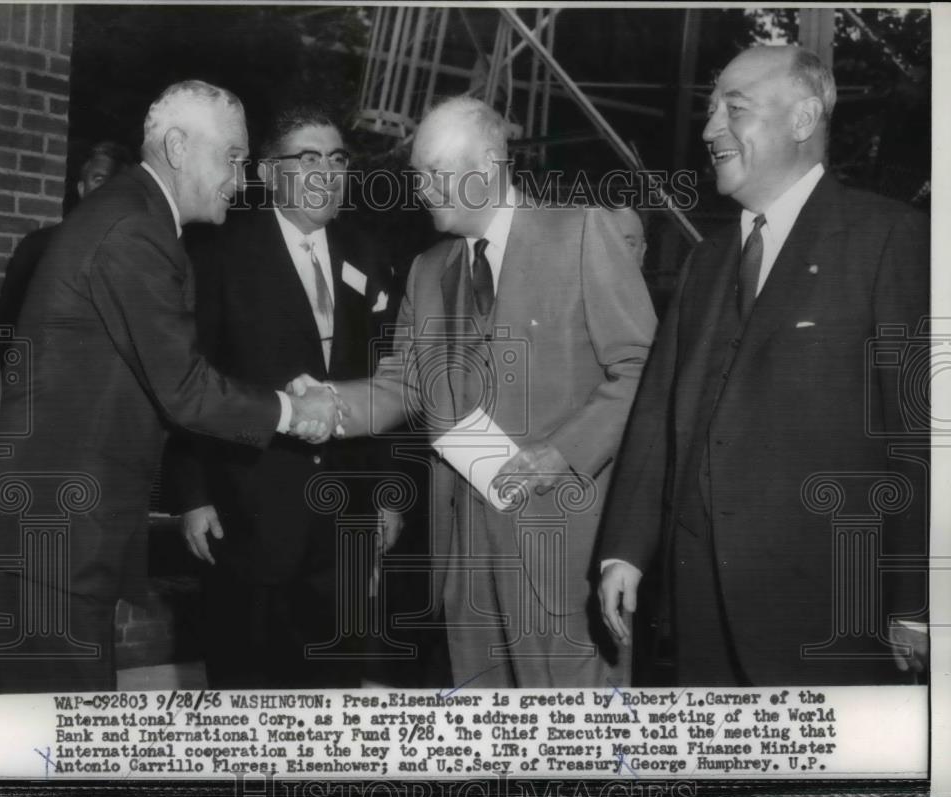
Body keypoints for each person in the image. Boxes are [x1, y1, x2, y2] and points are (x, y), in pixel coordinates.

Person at [0, 81, 342, 693]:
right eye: (231, 157)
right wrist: (291, 408)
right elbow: (184, 388)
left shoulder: (136, 218)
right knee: (56, 735)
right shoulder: (134, 230)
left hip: (58, 523)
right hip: (54, 530)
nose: (242, 177)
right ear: (177, 147)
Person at [296, 96, 657, 687]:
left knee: (573, 752)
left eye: (437, 173)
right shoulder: (427, 269)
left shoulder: (582, 234)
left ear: (488, 164)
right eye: (419, 175)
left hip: (560, 555)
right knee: (486, 753)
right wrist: (328, 404)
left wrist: (560, 453)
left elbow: (642, 366)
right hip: (464, 562)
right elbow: (402, 384)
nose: (422, 189)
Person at [597, 45, 929, 686]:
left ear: (804, 119)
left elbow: (920, 439)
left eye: (734, 108)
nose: (709, 127)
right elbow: (656, 419)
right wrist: (625, 552)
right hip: (697, 615)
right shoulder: (706, 261)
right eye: (711, 109)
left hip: (829, 614)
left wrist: (918, 603)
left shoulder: (890, 239)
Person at [168, 106, 398, 688]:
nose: (328, 171)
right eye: (309, 158)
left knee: (335, 689)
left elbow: (387, 379)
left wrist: (389, 495)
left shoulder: (367, 254)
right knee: (248, 684)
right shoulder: (218, 252)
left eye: (338, 158)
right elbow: (189, 379)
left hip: (346, 511)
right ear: (270, 174)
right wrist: (192, 495)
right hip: (249, 509)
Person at [0, 141, 131, 330]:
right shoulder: (38, 247)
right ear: (82, 189)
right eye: (99, 179)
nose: (108, 190)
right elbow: (6, 325)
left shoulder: (134, 257)